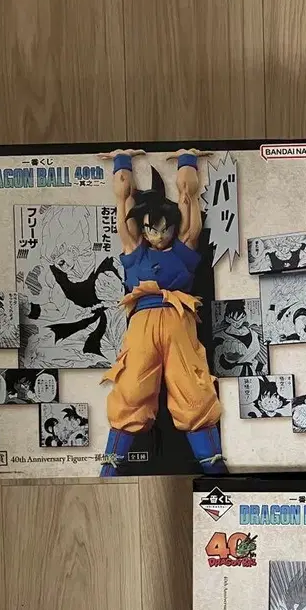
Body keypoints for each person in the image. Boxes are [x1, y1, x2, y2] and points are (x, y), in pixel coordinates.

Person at [96, 148, 223, 475]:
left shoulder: (183, 249)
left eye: (164, 229)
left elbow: (188, 202)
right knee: (132, 388)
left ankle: (214, 466)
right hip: (143, 322)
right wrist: (122, 162)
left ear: (172, 227)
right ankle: (110, 467)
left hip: (178, 319)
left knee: (192, 388)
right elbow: (123, 205)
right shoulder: (135, 252)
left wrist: (187, 161)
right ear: (143, 229)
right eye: (151, 230)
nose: (157, 235)